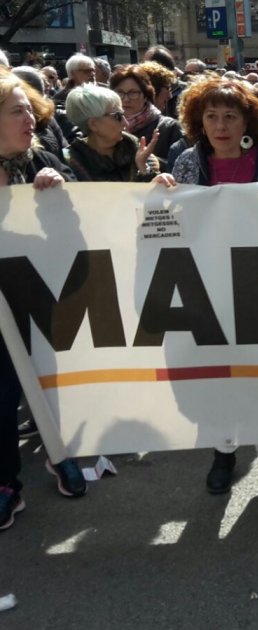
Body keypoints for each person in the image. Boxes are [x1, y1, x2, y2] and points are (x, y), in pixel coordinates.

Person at [169, 77, 258, 500]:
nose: (221, 125)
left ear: (247, 120)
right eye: (211, 116)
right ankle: (222, 452)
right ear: (198, 121)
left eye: (230, 115)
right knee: (215, 375)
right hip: (205, 287)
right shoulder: (187, 163)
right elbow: (174, 225)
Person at [0, 71, 84, 530]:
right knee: (2, 395)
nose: (30, 118)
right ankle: (7, 484)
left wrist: (60, 191)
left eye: (30, 108)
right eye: (17, 111)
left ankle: (60, 452)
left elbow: (77, 228)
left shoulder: (43, 161)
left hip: (41, 297)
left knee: (55, 385)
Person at [65, 84, 164, 182]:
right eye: (117, 116)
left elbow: (152, 195)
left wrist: (143, 168)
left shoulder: (133, 147)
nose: (125, 122)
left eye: (123, 114)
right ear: (93, 124)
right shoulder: (72, 161)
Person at [109, 65, 184, 171]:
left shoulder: (169, 128)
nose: (125, 99)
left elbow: (183, 168)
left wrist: (153, 162)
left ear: (145, 95)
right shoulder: (104, 125)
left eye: (133, 93)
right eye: (120, 93)